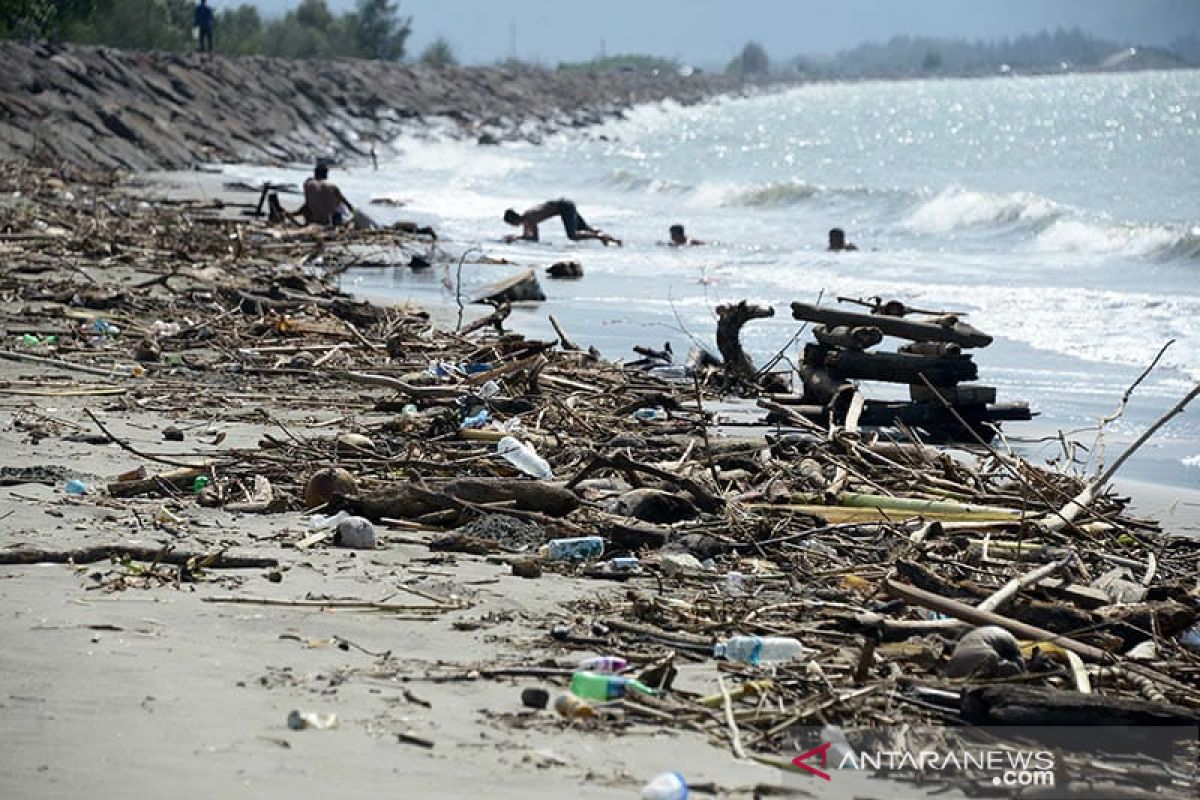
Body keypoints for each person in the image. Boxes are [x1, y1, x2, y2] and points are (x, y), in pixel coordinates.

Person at [502, 199, 621, 246]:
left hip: (564, 207)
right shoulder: (527, 218)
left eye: (511, 224)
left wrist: (514, 238)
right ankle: (613, 240)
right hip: (565, 205)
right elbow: (528, 236)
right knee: (584, 229)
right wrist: (517, 238)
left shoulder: (529, 218)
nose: (512, 227)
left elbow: (534, 239)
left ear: (514, 220)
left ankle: (600, 237)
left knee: (573, 235)